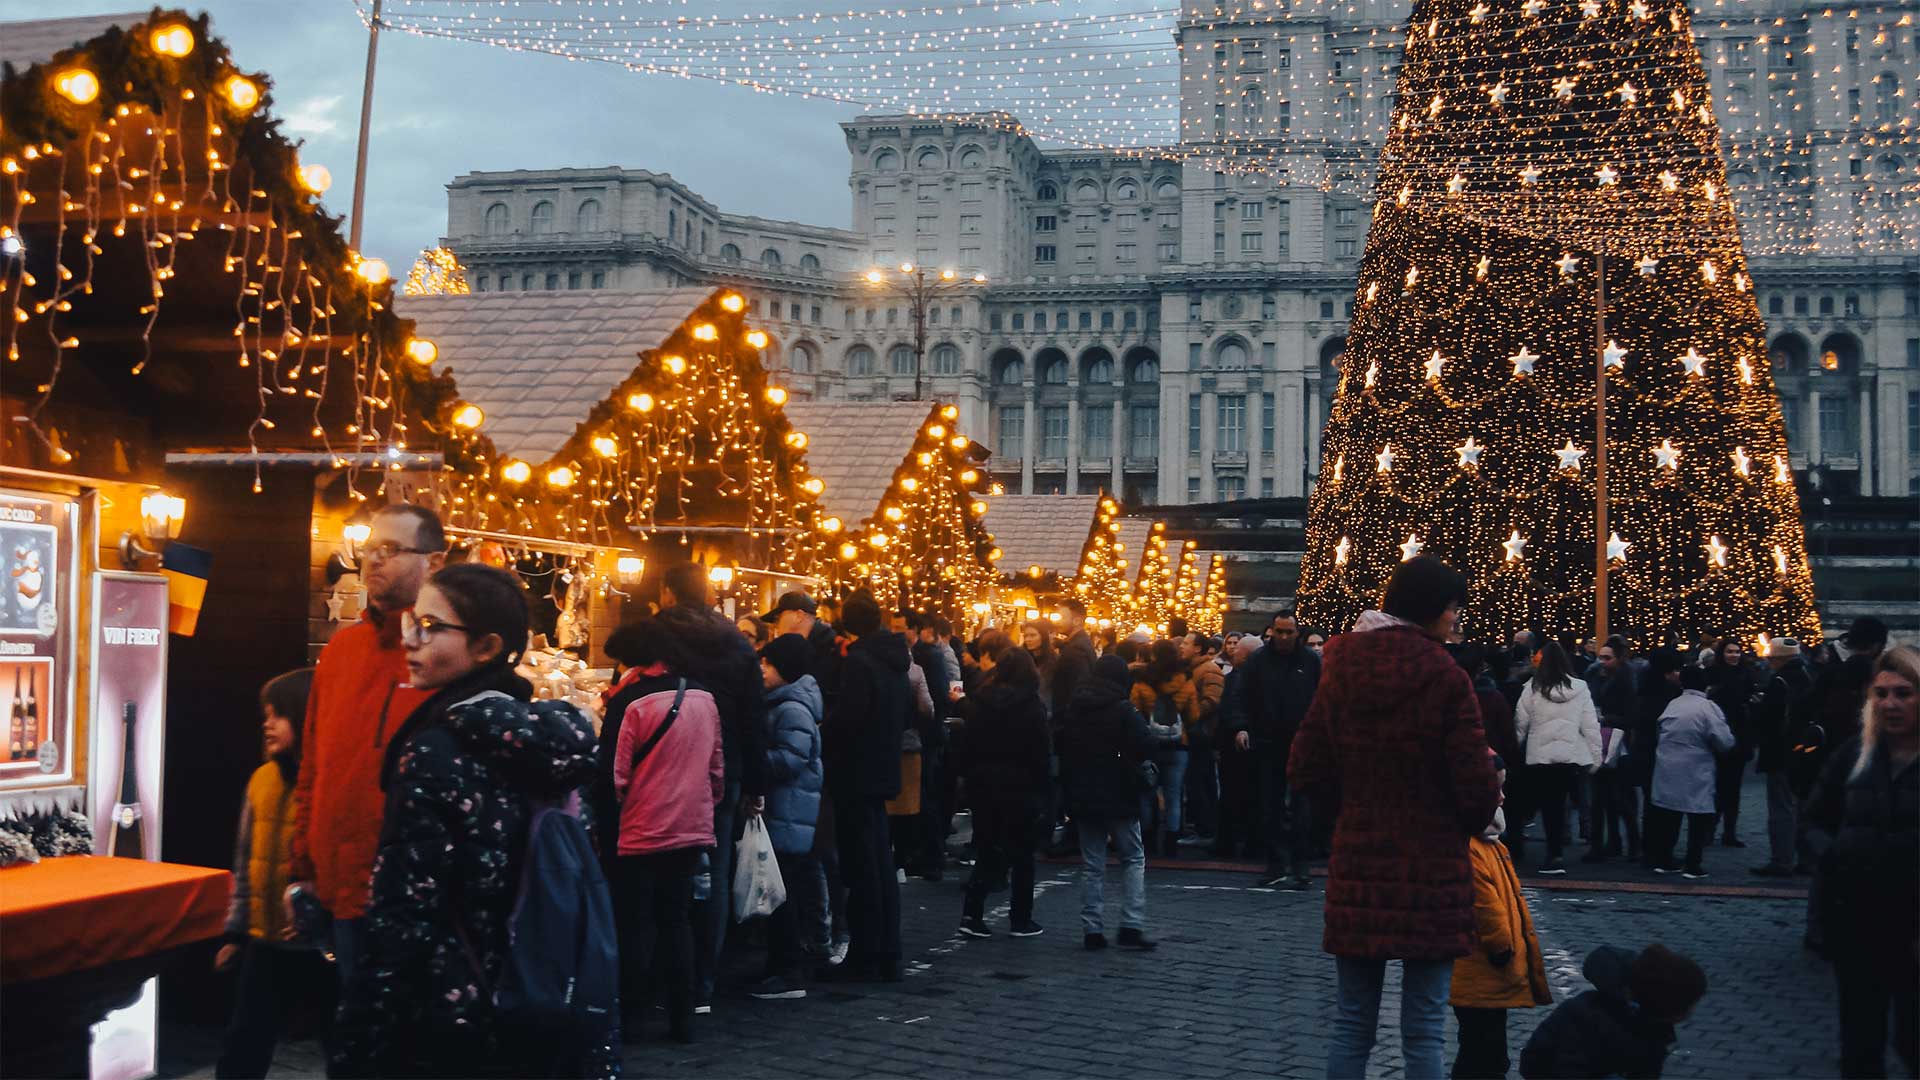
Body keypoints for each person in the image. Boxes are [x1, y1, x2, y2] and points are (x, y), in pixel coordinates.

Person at [330, 563, 610, 1078]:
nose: (410, 640)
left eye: (431, 627)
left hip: (446, 1012)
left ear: (486, 648)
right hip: (536, 994)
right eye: (413, 622)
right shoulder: (552, 748)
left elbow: (405, 908)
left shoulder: (436, 750)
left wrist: (360, 1036)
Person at [1288, 556, 1502, 1080]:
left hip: (1360, 859)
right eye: (1452, 607)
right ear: (1430, 609)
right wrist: (1465, 816)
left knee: (1352, 1022)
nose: (1456, 617)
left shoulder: (1341, 668)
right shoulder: (1446, 676)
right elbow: (1475, 784)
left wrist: (1350, 809)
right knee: (1424, 1028)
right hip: (1431, 866)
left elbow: (1306, 765)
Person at [288, 503, 444, 986]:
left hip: (413, 891)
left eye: (391, 549)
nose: (374, 559)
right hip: (336, 883)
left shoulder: (443, 655)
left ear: (434, 562)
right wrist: (302, 863)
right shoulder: (342, 650)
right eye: (370, 547)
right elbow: (313, 764)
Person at [1802, 645, 1919, 1078]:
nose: (1890, 704)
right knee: (1860, 1040)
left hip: (1915, 924)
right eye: (1881, 693)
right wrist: (1834, 855)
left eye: (1903, 693)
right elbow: (1813, 820)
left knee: (1912, 1039)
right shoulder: (1855, 754)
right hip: (1858, 918)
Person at [607, 615, 722, 1045]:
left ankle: (632, 1015)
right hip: (690, 826)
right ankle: (682, 1018)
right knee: (677, 920)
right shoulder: (704, 697)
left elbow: (615, 776)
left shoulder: (631, 702)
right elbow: (716, 766)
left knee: (635, 921)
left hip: (640, 827)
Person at [658, 567, 766, 1014]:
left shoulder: (659, 635)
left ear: (668, 592)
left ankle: (666, 979)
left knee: (665, 869)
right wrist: (755, 781)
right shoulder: (736, 642)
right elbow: (754, 716)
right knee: (716, 872)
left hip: (665, 765)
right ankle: (703, 981)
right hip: (727, 764)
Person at [215, 669, 331, 1080]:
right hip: (264, 941)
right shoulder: (261, 780)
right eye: (265, 714)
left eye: (278, 714)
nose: (267, 724)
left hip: (320, 945)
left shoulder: (329, 784)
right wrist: (236, 932)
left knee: (340, 1042)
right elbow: (244, 862)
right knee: (244, 1041)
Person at [819, 591, 911, 982]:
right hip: (882, 767)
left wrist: (824, 732)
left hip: (856, 772)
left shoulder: (860, 662)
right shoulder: (895, 659)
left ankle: (865, 953)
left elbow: (849, 718)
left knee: (861, 867)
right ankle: (887, 951)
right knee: (880, 864)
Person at [1449, 758, 1552, 1080]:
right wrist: (1501, 946)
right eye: (1497, 789)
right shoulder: (1473, 845)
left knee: (1484, 1045)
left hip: (1484, 970)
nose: (1503, 796)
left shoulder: (1485, 840)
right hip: (1483, 967)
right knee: (1483, 1050)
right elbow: (1484, 904)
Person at [1060, 654, 1157, 951]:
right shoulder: (1123, 709)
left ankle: (1092, 929)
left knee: (1092, 863)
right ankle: (1131, 925)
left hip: (1084, 792)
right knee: (1133, 858)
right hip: (1119, 790)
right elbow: (1145, 744)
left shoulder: (1076, 707)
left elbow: (1062, 746)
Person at [955, 646, 1052, 938]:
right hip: (1020, 785)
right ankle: (1020, 918)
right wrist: (1044, 791)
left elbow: (967, 743)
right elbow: (1040, 753)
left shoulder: (981, 701)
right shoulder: (1032, 706)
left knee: (988, 848)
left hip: (984, 782)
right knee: (1022, 854)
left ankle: (972, 914)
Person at [750, 634, 826, 1002]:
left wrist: (753, 762)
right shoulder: (783, 702)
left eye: (768, 663)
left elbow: (791, 758)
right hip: (787, 812)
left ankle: (788, 971)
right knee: (782, 890)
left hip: (790, 812)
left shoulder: (792, 707)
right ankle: (781, 965)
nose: (761, 669)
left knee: (784, 894)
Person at [1518, 944, 1708, 1079]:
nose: (1691, 1011)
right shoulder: (1592, 1017)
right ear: (1666, 1006)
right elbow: (1566, 1069)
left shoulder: (1651, 1025)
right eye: (1689, 1005)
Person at [1229, 609, 1321, 888]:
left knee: (1302, 807)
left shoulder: (1310, 661)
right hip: (1268, 740)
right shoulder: (1258, 661)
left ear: (1296, 632)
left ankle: (1300, 864)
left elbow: (1322, 697)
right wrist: (1241, 727)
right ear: (1272, 631)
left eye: (1288, 632)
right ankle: (1277, 863)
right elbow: (1241, 696)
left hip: (1302, 741)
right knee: (1271, 805)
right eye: (1279, 632)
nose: (1283, 637)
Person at [1513, 641, 1602, 876]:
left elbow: (1521, 723)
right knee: (1561, 802)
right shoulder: (1580, 688)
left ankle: (1551, 852)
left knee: (1546, 804)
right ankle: (1558, 853)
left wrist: (1514, 749)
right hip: (1569, 753)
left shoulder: (1532, 687)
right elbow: (1590, 725)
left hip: (1540, 753)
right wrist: (1595, 756)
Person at [1647, 665, 1736, 878]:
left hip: (1667, 765)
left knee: (1670, 815)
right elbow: (1723, 740)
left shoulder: (1673, 704)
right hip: (1697, 766)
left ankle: (1665, 859)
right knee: (1698, 817)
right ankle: (1693, 864)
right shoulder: (1708, 708)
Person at [1750, 637, 1815, 877]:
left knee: (1781, 808)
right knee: (1802, 806)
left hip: (1779, 751)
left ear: (1778, 659)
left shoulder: (1779, 681)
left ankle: (1781, 860)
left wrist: (1757, 707)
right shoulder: (1806, 676)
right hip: (1802, 750)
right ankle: (1806, 858)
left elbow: (1770, 719)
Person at [1131, 639, 1196, 859]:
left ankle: (1148, 839)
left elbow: (1134, 711)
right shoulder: (1185, 680)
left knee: (1146, 793)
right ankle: (1171, 843)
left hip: (1149, 745)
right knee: (1173, 795)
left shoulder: (1141, 681)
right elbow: (1194, 714)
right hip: (1178, 745)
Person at [1213, 634, 1262, 860]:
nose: (1233, 652)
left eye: (1238, 650)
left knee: (1232, 795)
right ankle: (1251, 843)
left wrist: (1237, 728)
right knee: (1253, 796)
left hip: (1236, 744)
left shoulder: (1238, 677)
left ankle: (1228, 844)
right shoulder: (1255, 676)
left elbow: (1230, 707)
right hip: (1252, 742)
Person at [1705, 638, 1757, 847]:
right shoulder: (1713, 674)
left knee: (1733, 787)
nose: (1734, 655)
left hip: (1740, 734)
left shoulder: (1746, 673)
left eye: (1737, 652)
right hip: (1719, 732)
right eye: (1730, 651)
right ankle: (1710, 829)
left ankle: (1729, 831)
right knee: (1717, 785)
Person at [1177, 631, 1226, 845]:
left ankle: (1206, 830)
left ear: (1198, 648)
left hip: (1202, 734)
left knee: (1200, 782)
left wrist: (1189, 713)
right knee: (1197, 782)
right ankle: (1203, 827)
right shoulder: (1194, 669)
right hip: (1196, 733)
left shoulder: (1209, 670)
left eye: (1186, 643)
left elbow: (1213, 700)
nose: (1182, 647)